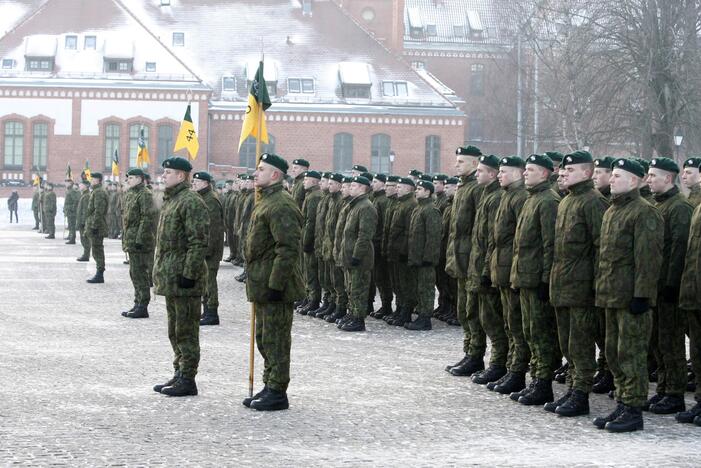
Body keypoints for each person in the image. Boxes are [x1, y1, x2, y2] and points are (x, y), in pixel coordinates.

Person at [593, 158, 663, 433]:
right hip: (611, 294)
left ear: (634, 181)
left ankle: (633, 409)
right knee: (613, 353)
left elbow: (648, 259)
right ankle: (623, 402)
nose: (611, 180)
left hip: (631, 298)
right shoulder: (613, 210)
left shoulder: (643, 212)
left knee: (631, 354)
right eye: (611, 175)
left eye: (617, 176)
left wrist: (642, 295)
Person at [547, 151, 608, 417]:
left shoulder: (593, 202)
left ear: (586, 173)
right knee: (567, 343)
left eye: (569, 170)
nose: (562, 173)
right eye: (563, 170)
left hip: (582, 288)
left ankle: (581, 393)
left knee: (581, 344)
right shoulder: (566, 202)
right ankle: (572, 388)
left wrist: (595, 286)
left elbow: (600, 249)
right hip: (563, 284)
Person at [243, 153, 304, 411]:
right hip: (263, 283)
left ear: (275, 175)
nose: (255, 174)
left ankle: (278, 391)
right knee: (264, 338)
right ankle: (269, 384)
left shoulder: (281, 204)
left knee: (276, 340)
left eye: (261, 169)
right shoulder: (266, 200)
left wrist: (275, 284)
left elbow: (288, 248)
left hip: (275, 287)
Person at [152, 157, 209, 397]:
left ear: (182, 176)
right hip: (171, 276)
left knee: (186, 331)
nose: (163, 176)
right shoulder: (172, 200)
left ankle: (188, 378)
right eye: (164, 172)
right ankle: (179, 372)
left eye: (168, 172)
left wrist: (189, 274)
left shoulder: (190, 201)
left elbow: (198, 242)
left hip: (185, 279)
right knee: (174, 330)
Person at [510, 154, 560, 406]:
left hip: (536, 279)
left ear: (544, 174)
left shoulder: (548, 201)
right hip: (525, 277)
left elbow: (550, 245)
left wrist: (544, 280)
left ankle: (543, 383)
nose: (525, 173)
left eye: (530, 170)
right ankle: (536, 381)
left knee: (541, 334)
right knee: (530, 331)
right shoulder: (533, 199)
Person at [645, 157, 692, 415]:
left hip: (668, 289)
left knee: (670, 342)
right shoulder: (656, 205)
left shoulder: (679, 208)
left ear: (668, 178)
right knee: (658, 342)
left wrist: (671, 284)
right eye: (649, 175)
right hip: (655, 286)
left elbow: (678, 249)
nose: (649, 179)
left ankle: (675, 393)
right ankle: (663, 389)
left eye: (654, 175)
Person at [488, 157, 529, 395]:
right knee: (508, 322)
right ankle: (509, 368)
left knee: (517, 325)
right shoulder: (506, 196)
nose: (499, 175)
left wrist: (516, 273)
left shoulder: (520, 198)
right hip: (501, 267)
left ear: (517, 173)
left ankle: (517, 371)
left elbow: (519, 242)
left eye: (503, 171)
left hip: (513, 270)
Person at [445, 146, 485, 377]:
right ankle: (469, 351)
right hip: (459, 256)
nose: (457, 164)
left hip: (470, 257)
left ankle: (475, 355)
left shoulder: (476, 189)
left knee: (472, 311)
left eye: (462, 161)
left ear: (474, 163)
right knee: (464, 310)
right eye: (456, 160)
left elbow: (477, 229)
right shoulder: (464, 187)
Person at [469, 155, 507, 383]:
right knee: (480, 316)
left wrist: (486, 271)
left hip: (492, 269)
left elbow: (493, 240)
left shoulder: (496, 198)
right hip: (480, 265)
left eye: (481, 170)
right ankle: (483, 359)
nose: (476, 174)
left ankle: (499, 364)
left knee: (495, 321)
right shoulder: (486, 195)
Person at [338, 176, 378, 332]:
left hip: (360, 258)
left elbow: (364, 235)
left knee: (359, 289)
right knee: (351, 288)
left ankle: (358, 319)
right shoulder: (355, 205)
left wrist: (357, 256)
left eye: (353, 185)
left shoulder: (366, 207)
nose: (350, 188)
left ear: (362, 188)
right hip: (349, 255)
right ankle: (352, 314)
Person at [404, 179, 441, 331]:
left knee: (426, 288)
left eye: (420, 189)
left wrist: (428, 258)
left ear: (428, 192)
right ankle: (421, 314)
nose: (416, 191)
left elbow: (433, 236)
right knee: (418, 288)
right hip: (417, 258)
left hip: (425, 259)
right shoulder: (419, 209)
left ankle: (425, 319)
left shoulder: (431, 210)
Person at [120, 168, 157, 319]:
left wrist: (140, 239)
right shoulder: (130, 193)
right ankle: (137, 303)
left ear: (140, 179)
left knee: (141, 273)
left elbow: (146, 218)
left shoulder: (145, 194)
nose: (128, 180)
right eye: (128, 177)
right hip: (131, 238)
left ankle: (143, 305)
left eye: (132, 177)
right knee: (134, 273)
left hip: (140, 241)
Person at [190, 172, 225, 326]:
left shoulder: (210, 200)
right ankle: (207, 310)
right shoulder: (203, 197)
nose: (194, 184)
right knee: (205, 280)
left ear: (205, 183)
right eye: (193, 181)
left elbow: (214, 229)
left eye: (197, 181)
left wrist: (207, 250)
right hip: (205, 247)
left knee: (210, 281)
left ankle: (212, 312)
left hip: (210, 250)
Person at [385, 177, 418, 326]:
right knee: (397, 283)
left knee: (406, 284)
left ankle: (406, 311)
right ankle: (400, 309)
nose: (397, 189)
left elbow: (409, 232)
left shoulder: (410, 205)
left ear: (409, 189)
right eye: (397, 186)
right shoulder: (401, 203)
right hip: (396, 250)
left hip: (402, 252)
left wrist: (404, 251)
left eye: (401, 187)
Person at [300, 170, 323, 313]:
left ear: (314, 182)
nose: (304, 181)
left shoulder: (314, 197)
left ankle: (313, 300)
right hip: (309, 238)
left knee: (311, 271)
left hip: (312, 240)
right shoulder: (310, 195)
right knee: (307, 271)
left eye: (307, 179)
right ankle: (308, 297)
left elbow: (311, 221)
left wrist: (306, 241)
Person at [85, 173, 109, 283]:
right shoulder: (96, 191)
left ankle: (100, 274)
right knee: (96, 249)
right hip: (94, 225)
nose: (91, 180)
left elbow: (99, 210)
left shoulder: (99, 192)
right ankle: (99, 272)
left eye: (93, 179)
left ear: (98, 180)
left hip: (97, 226)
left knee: (97, 250)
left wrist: (94, 225)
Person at [76, 179, 92, 262]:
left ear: (86, 186)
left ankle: (86, 255)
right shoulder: (84, 195)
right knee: (83, 239)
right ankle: (85, 254)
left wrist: (83, 222)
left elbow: (85, 211)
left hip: (84, 222)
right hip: (82, 221)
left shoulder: (86, 196)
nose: (79, 186)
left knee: (85, 239)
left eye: (81, 184)